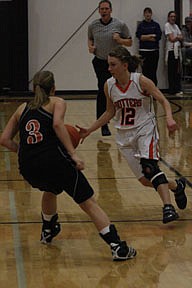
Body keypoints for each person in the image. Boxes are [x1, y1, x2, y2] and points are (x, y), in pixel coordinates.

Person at [0, 70, 136, 261]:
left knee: (50, 189)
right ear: (54, 88)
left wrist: (27, 150)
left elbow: (4, 140)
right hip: (54, 161)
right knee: (88, 202)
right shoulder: (57, 102)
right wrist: (73, 154)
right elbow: (57, 125)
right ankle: (117, 246)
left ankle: (48, 228)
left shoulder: (21, 108)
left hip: (28, 167)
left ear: (34, 88)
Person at [77, 46, 187, 224]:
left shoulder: (140, 81)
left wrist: (168, 118)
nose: (109, 68)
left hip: (145, 129)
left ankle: (168, 207)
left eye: (113, 65)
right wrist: (90, 129)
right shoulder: (109, 85)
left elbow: (163, 99)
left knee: (150, 167)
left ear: (125, 65)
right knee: (145, 179)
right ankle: (176, 186)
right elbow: (109, 112)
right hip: (124, 136)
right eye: (109, 65)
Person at [88, 0, 132, 136]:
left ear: (110, 10)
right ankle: (103, 125)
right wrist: (90, 47)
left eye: (106, 8)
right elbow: (90, 39)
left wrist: (120, 40)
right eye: (102, 9)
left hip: (117, 63)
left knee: (122, 88)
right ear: (99, 11)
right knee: (103, 90)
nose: (104, 11)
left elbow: (129, 42)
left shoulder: (120, 24)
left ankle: (127, 119)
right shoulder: (93, 25)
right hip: (101, 62)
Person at [136, 7, 162, 86]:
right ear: (144, 15)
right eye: (146, 13)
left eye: (149, 13)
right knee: (145, 72)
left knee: (153, 72)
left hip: (154, 51)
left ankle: (154, 91)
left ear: (151, 14)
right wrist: (151, 36)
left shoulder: (156, 25)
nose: (148, 14)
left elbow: (157, 37)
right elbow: (139, 36)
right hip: (143, 51)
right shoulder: (141, 25)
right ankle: (145, 91)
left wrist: (145, 37)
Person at [164, 11, 183, 96]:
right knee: (171, 71)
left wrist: (178, 37)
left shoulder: (176, 26)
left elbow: (182, 37)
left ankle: (177, 89)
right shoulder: (167, 25)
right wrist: (177, 37)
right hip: (171, 51)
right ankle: (172, 90)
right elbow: (171, 38)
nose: (173, 18)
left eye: (174, 16)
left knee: (177, 71)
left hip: (177, 51)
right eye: (171, 16)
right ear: (168, 17)